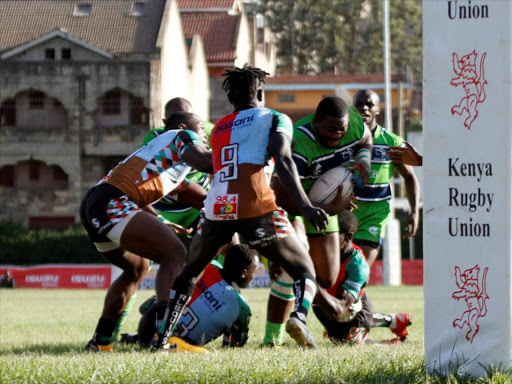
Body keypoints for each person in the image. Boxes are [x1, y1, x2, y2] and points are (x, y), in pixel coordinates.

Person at [150, 64, 329, 352]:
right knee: (304, 269)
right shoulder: (274, 117)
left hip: (218, 207)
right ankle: (299, 319)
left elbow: (211, 164)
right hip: (255, 206)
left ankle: (161, 338)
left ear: (231, 98)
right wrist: (306, 206)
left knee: (189, 273)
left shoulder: (219, 126)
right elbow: (283, 160)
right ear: (260, 90)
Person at [80, 113, 213, 352]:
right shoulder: (182, 137)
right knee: (174, 252)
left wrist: (159, 219)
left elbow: (191, 194)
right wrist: (238, 157)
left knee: (136, 269)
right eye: (201, 127)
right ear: (184, 127)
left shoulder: (165, 156)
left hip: (97, 203)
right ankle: (161, 337)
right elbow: (204, 161)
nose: (204, 134)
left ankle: (100, 342)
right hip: (112, 201)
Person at [262, 96, 372, 347]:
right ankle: (273, 338)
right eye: (329, 129)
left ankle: (298, 282)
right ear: (316, 121)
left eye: (340, 130)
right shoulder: (300, 143)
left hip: (321, 207)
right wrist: (326, 207)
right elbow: (279, 193)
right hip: (289, 204)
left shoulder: (353, 123)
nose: (336, 136)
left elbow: (365, 139)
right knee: (292, 267)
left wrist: (363, 160)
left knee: (327, 277)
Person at [122, 244, 259, 351]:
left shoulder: (207, 265)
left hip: (147, 325)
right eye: (253, 272)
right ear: (244, 273)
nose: (253, 277)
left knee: (176, 290)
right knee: (205, 352)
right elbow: (233, 347)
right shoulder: (240, 307)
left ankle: (139, 333)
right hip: (175, 344)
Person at [313, 210, 412, 345]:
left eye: (332, 234)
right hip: (329, 305)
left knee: (349, 344)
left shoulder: (358, 265)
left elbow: (341, 310)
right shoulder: (321, 251)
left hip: (353, 310)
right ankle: (395, 320)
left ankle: (388, 344)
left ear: (347, 237)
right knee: (339, 339)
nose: (326, 238)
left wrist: (314, 285)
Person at [352, 89, 420, 266]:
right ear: (352, 108)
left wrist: (414, 211)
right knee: (340, 275)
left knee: (360, 270)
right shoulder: (343, 139)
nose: (364, 108)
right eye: (359, 104)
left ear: (377, 110)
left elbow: (409, 177)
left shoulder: (391, 142)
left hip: (375, 214)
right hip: (345, 211)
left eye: (369, 105)